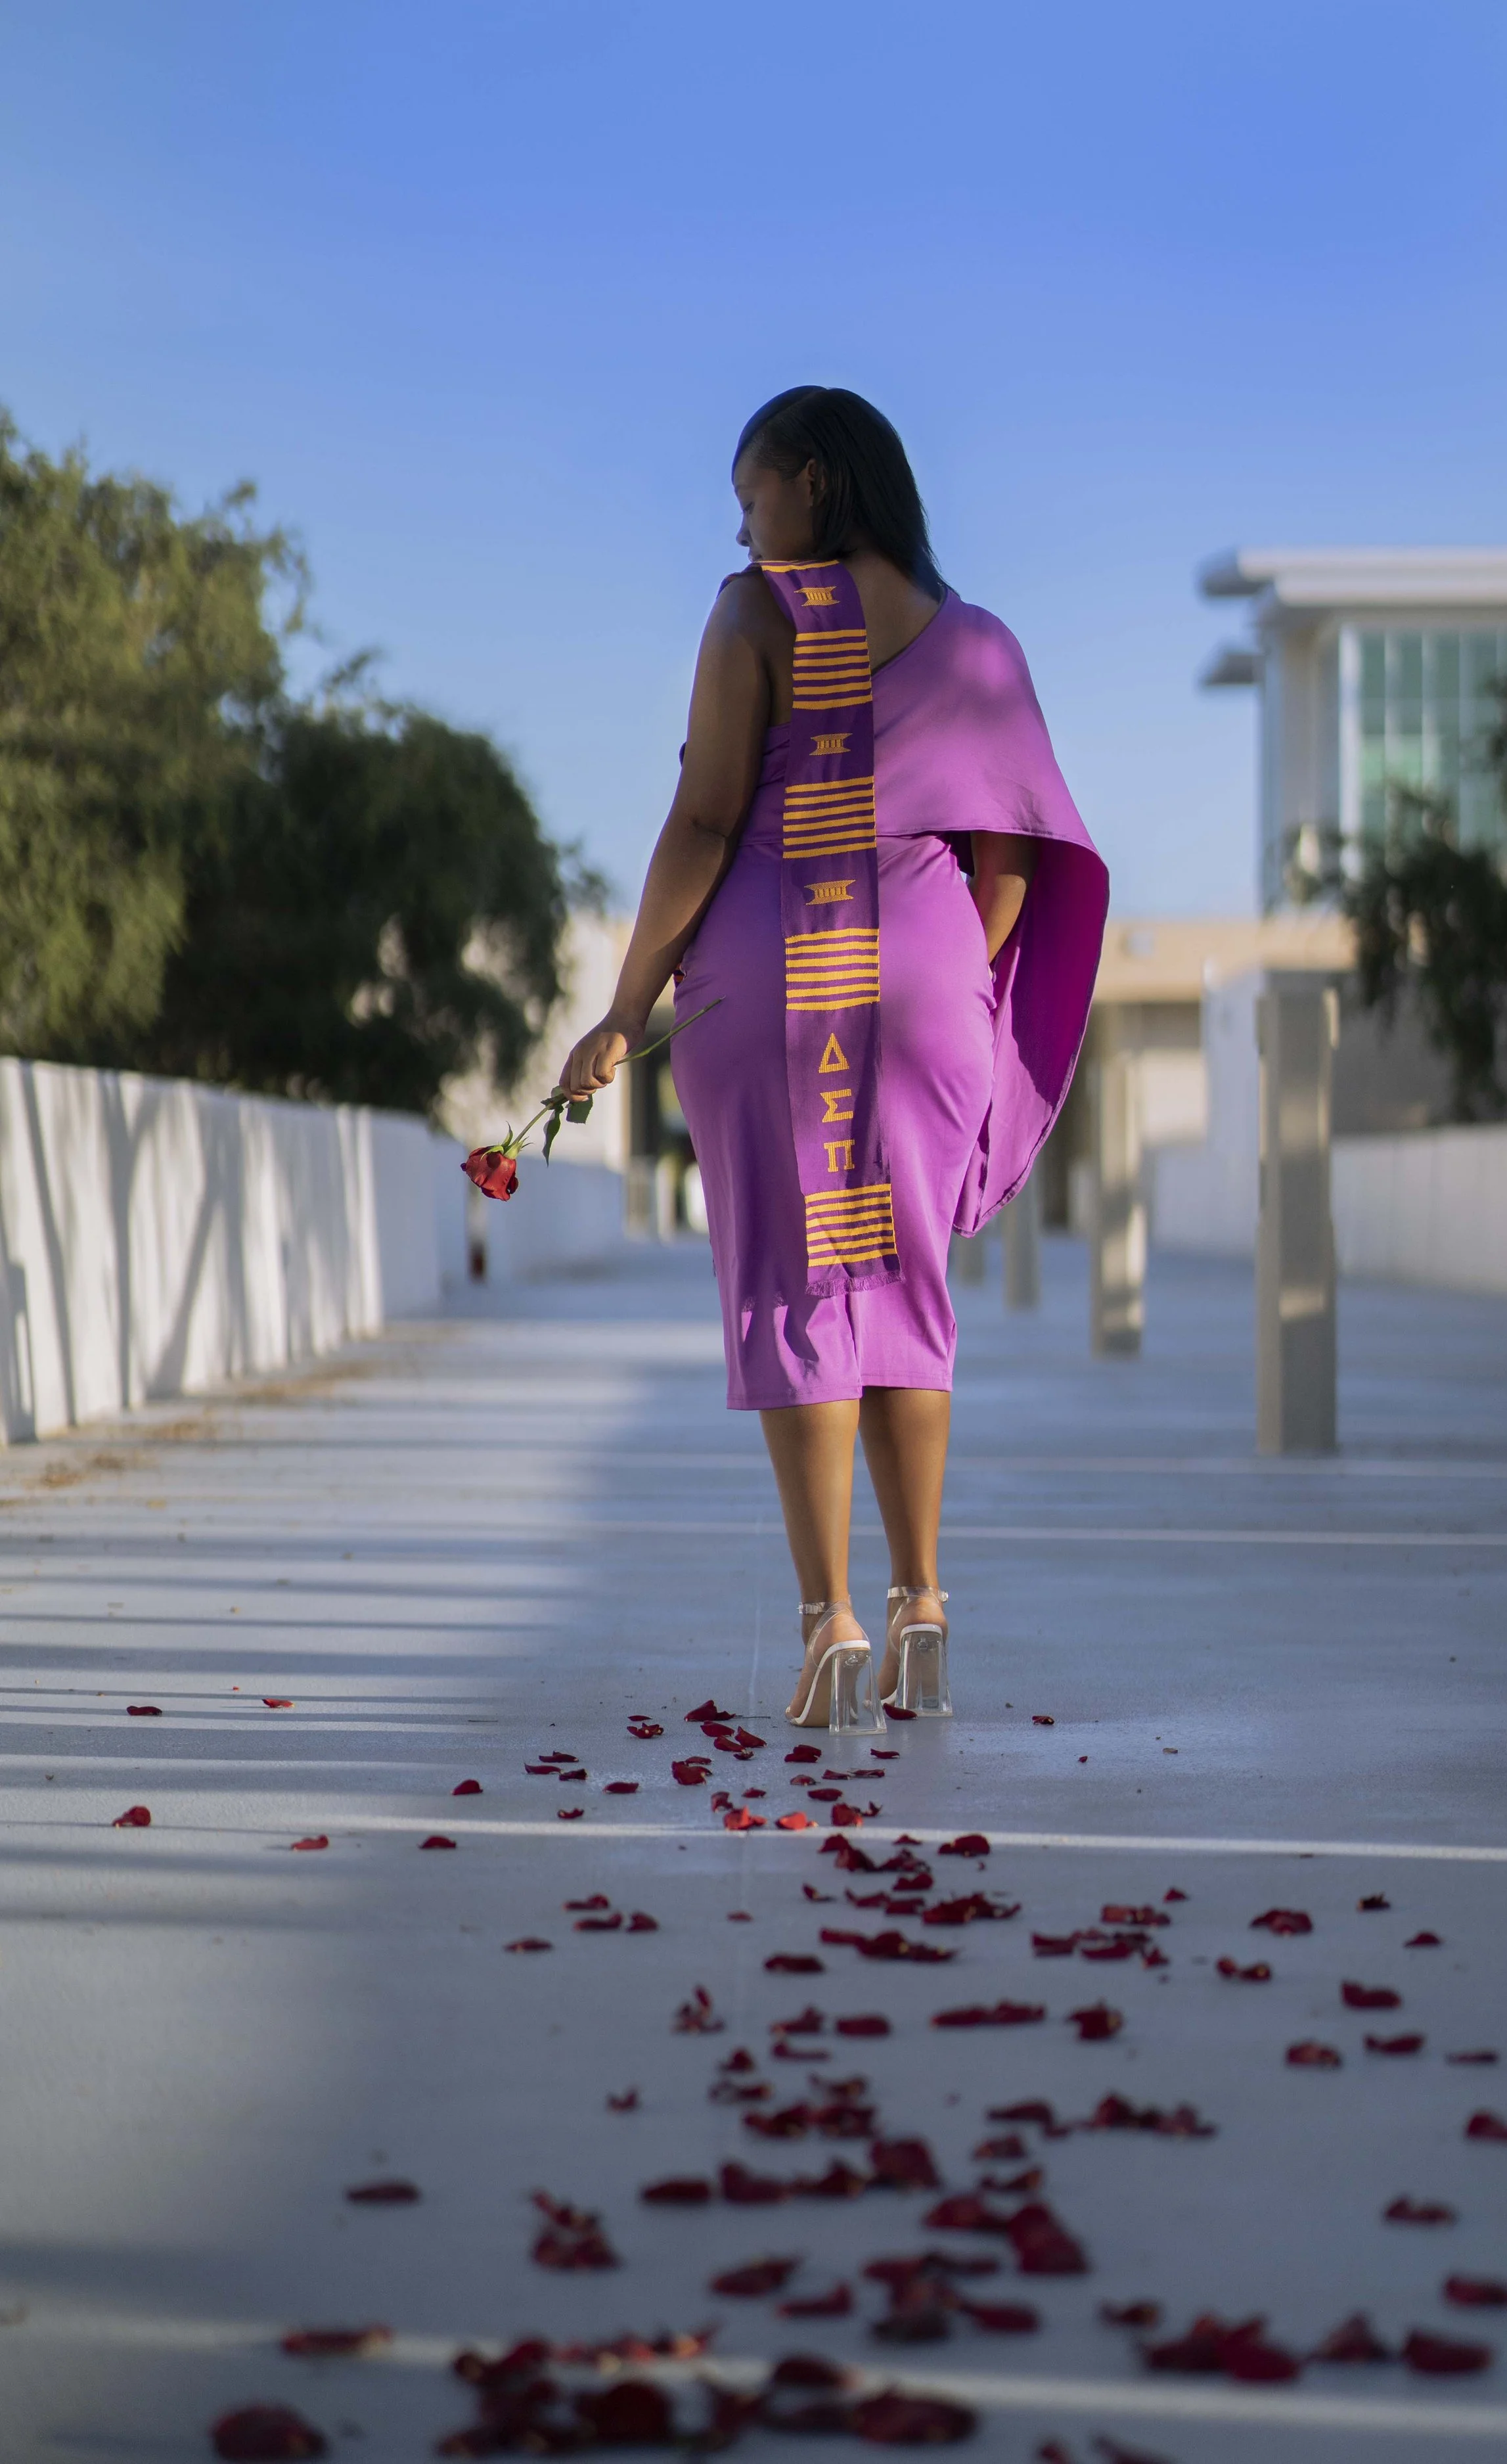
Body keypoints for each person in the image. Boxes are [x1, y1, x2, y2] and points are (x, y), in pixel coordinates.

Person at [560, 387, 1107, 1731]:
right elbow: (1012, 860)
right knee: (899, 1283)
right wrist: (945, 981)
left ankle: (830, 1625)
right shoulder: (974, 641)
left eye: (749, 496)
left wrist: (624, 1009)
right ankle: (923, 1601)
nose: (740, 528)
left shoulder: (756, 612)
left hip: (772, 984)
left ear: (809, 482)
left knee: (797, 1285)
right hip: (923, 988)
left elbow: (700, 820)